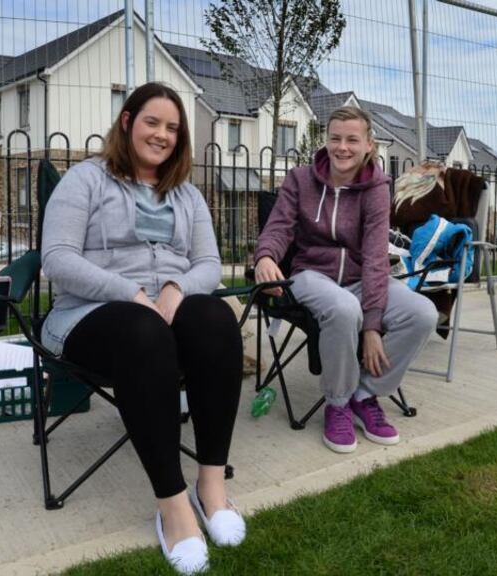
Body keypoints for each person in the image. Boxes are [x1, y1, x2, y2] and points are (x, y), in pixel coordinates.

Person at [41, 82, 244, 575]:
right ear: (128, 121)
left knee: (216, 316)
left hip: (165, 315)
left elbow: (209, 263)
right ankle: (173, 508)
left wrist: (175, 289)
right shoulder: (85, 180)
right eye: (153, 122)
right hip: (91, 316)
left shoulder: (188, 194)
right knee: (141, 329)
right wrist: (129, 293)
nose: (163, 134)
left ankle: (211, 485)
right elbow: (57, 259)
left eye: (173, 128)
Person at [253, 106, 437, 454]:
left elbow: (374, 257)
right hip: (311, 275)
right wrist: (265, 256)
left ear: (369, 144)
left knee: (422, 313)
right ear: (326, 140)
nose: (342, 147)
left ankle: (365, 394)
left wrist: (371, 327)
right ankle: (336, 403)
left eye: (352, 139)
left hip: (358, 277)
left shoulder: (378, 188)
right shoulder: (300, 179)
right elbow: (278, 227)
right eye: (335, 138)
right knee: (342, 307)